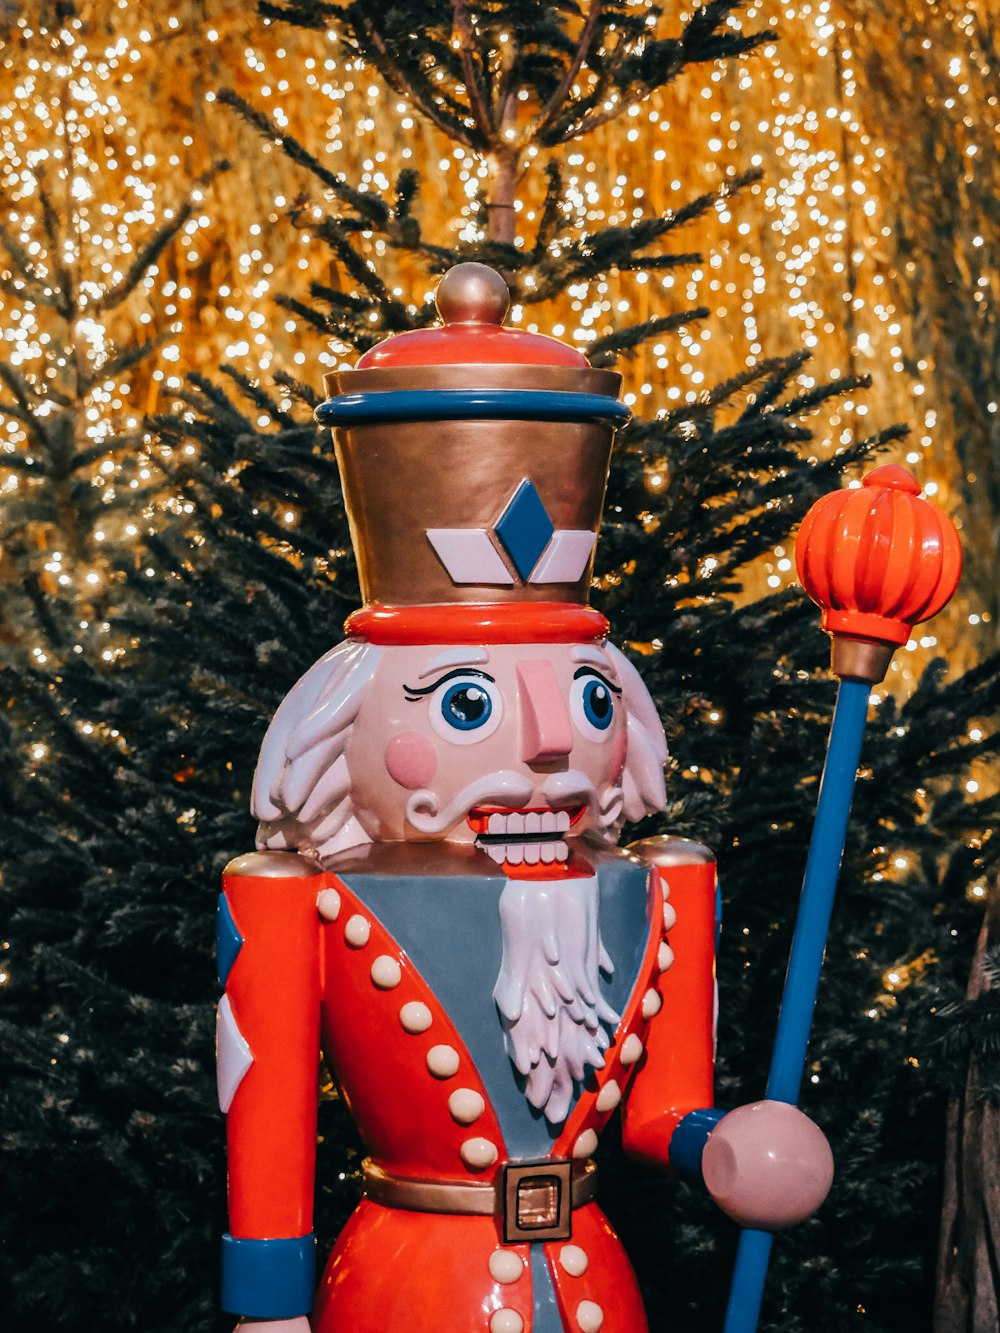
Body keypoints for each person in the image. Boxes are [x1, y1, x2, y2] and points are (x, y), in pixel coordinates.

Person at [217, 264, 833, 1333]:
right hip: (406, 1290)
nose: (551, 743)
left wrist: (721, 1148)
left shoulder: (666, 883)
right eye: (464, 706)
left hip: (595, 1282)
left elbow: (660, 1111)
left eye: (591, 699)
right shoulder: (292, 899)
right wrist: (266, 1311)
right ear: (340, 721)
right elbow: (265, 1139)